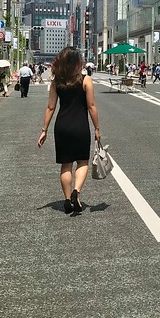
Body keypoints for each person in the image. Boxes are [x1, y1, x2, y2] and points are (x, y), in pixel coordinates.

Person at [37, 47, 101, 215]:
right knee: (82, 161)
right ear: (78, 62)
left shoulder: (57, 82)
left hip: (62, 126)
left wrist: (44, 130)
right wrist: (97, 128)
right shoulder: (86, 80)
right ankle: (76, 192)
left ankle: (67, 200)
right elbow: (91, 106)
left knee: (66, 164)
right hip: (80, 126)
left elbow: (50, 107)